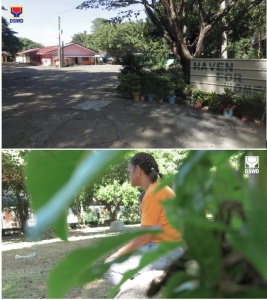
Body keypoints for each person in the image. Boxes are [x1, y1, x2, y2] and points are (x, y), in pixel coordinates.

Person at [104, 152, 183, 286]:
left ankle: (133, 294)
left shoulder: (152, 193)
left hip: (166, 252)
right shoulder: (161, 189)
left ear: (138, 170)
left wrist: (116, 255)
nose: (129, 176)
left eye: (130, 171)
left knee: (109, 268)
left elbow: (143, 238)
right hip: (171, 247)